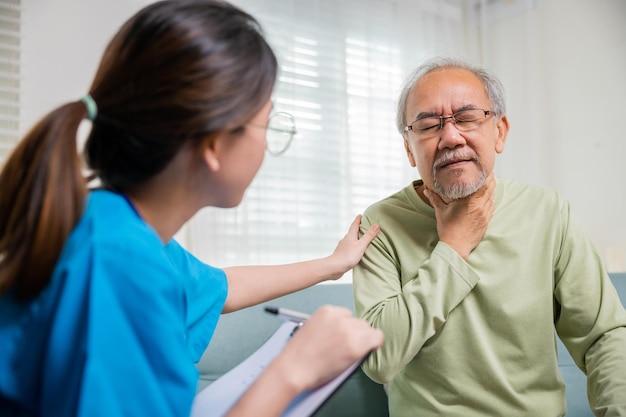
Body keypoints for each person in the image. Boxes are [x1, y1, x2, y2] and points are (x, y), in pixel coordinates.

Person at [0, 1, 384, 416]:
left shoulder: (119, 228)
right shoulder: (117, 260)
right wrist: (293, 371)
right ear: (216, 144)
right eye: (266, 123)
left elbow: (224, 287)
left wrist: (334, 263)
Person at [352, 56, 626, 417]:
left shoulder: (547, 211)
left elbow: (603, 337)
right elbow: (379, 360)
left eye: (466, 118)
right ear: (408, 147)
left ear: (499, 131)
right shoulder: (380, 222)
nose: (450, 137)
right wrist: (453, 246)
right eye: (429, 125)